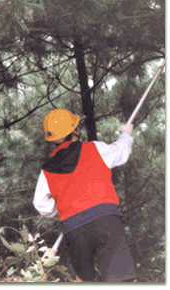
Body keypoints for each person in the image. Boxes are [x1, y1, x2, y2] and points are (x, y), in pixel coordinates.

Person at [33, 108, 137, 282]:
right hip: (106, 221)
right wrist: (125, 135)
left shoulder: (47, 170)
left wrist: (61, 209)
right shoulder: (95, 148)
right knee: (119, 280)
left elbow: (39, 203)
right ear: (75, 130)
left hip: (74, 229)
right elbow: (121, 152)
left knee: (84, 281)